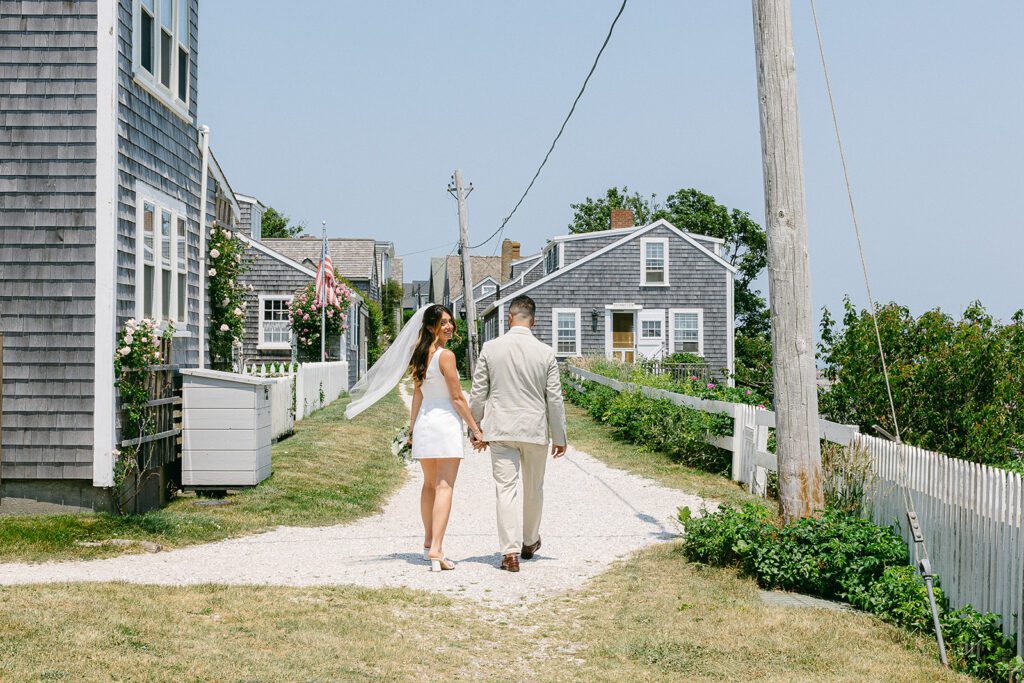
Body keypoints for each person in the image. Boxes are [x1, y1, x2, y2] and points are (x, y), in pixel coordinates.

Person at [345, 303, 484, 573]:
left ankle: (427, 543)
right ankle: (437, 549)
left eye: (449, 321)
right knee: (444, 486)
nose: (449, 326)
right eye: (442, 322)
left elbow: (419, 394)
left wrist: (412, 429)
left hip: (425, 425)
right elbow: (456, 398)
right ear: (431, 327)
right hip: (443, 425)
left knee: (430, 485)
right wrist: (476, 430)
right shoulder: (446, 356)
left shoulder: (420, 354)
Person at [469, 294, 568, 573]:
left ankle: (509, 553)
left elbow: (478, 393)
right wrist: (559, 436)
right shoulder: (546, 353)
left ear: (509, 318)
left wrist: (475, 428)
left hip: (500, 429)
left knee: (505, 490)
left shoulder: (491, 348)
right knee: (534, 488)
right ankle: (529, 541)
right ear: (533, 322)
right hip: (534, 429)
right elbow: (555, 399)